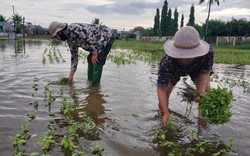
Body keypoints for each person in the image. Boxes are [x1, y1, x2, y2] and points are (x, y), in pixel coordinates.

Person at [157, 26, 214, 126]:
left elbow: (205, 72)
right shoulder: (167, 61)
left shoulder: (207, 53)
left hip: (197, 68)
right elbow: (160, 88)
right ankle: (163, 116)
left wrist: (201, 92)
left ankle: (202, 125)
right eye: (182, 55)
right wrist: (166, 113)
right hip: (175, 69)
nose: (184, 59)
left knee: (206, 93)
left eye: (188, 56)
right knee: (165, 94)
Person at [48, 21, 114, 86]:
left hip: (106, 37)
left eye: (56, 36)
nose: (57, 39)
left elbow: (90, 36)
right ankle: (90, 83)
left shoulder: (73, 28)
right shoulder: (70, 40)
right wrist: (71, 76)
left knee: (97, 59)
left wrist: (95, 53)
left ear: (59, 32)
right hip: (95, 43)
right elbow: (74, 57)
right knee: (90, 59)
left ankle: (95, 88)